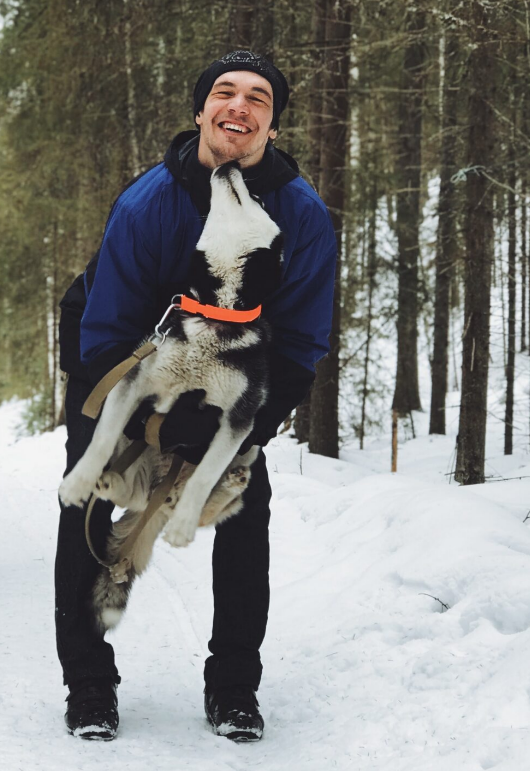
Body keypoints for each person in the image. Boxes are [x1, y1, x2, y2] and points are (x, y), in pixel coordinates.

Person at [55, 50, 337, 741]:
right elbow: (107, 330)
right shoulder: (149, 203)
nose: (239, 106)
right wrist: (154, 426)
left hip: (231, 373)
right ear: (202, 111)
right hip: (118, 363)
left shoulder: (301, 215)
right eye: (225, 92)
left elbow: (300, 342)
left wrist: (245, 427)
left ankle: (234, 687)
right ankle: (88, 683)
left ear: (273, 126)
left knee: (244, 507)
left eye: (258, 98)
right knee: (87, 502)